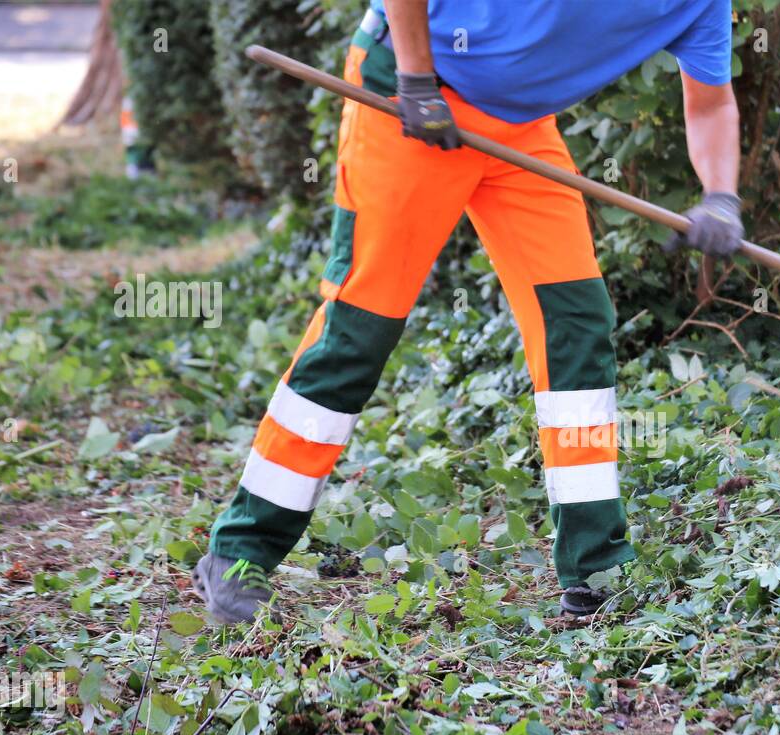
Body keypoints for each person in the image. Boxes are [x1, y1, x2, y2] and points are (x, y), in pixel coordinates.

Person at [192, 0, 743, 623]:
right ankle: (240, 551)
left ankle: (596, 563)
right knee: (361, 325)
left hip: (520, 129)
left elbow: (711, 102)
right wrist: (416, 78)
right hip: (409, 91)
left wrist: (720, 197)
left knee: (575, 321)